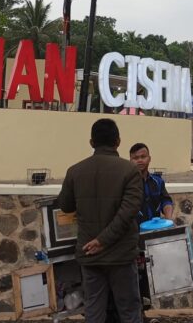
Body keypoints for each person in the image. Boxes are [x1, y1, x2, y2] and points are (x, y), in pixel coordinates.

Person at [57, 119, 144, 323]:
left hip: (89, 253)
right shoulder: (130, 171)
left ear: (91, 142)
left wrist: (98, 241)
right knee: (129, 312)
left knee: (94, 311)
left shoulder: (75, 171)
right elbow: (128, 212)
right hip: (121, 254)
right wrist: (104, 241)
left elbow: (65, 205)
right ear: (118, 141)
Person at [129, 143, 174, 224]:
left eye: (143, 157)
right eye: (135, 158)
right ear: (130, 161)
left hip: (155, 228)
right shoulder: (127, 183)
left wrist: (169, 220)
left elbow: (166, 201)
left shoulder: (158, 181)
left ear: (149, 159)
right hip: (135, 230)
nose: (140, 160)